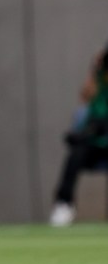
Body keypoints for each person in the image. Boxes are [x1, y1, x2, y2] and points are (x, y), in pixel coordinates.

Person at [49, 45, 108, 227]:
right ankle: (64, 204)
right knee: (75, 155)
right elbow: (86, 99)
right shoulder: (99, 83)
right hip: (97, 144)